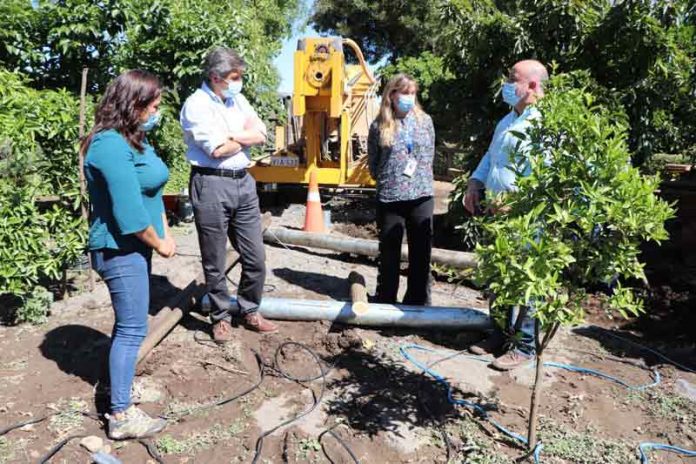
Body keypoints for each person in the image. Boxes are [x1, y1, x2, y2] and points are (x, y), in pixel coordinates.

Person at [83, 70, 175, 439]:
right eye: (152, 105)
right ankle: (120, 414)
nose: (156, 112)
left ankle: (119, 387)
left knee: (130, 324)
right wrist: (161, 242)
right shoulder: (108, 145)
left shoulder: (133, 140)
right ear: (131, 104)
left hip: (137, 246)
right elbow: (129, 212)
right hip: (119, 249)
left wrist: (163, 231)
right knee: (133, 327)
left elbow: (152, 190)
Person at [180, 47, 277, 341]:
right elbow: (217, 150)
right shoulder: (196, 105)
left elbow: (262, 132)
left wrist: (234, 138)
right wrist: (244, 138)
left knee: (255, 257)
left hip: (243, 182)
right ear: (215, 77)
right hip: (211, 183)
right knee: (215, 258)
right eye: (234, 77)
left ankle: (249, 309)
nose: (239, 82)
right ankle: (220, 315)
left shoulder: (238, 100)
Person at [464, 59, 549, 370]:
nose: (507, 84)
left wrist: (517, 203)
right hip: (496, 213)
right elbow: (491, 157)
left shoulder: (544, 125)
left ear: (533, 86)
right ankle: (499, 335)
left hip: (527, 219)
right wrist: (475, 182)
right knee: (498, 276)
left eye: (513, 78)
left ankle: (525, 346)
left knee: (526, 280)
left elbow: (546, 178)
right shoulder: (506, 120)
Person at [367, 74, 436, 305]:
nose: (409, 98)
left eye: (412, 93)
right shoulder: (379, 125)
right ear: (392, 95)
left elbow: (429, 155)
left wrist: (418, 176)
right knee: (389, 253)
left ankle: (417, 301)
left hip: (421, 195)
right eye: (404, 93)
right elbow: (374, 163)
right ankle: (386, 298)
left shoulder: (425, 121)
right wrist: (390, 178)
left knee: (421, 252)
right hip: (390, 196)